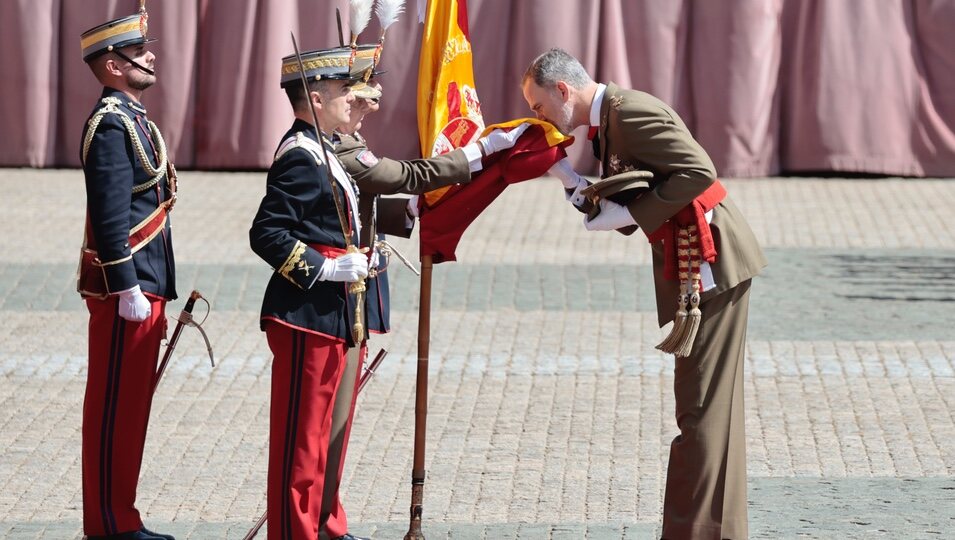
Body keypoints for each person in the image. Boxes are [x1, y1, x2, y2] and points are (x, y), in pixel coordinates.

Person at [521, 48, 767, 540]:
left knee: (700, 414)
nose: (539, 117)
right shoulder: (611, 120)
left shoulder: (627, 113)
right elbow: (649, 186)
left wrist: (629, 215)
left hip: (709, 263)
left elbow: (699, 172)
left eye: (540, 107)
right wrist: (577, 186)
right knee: (710, 414)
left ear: (563, 91)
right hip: (697, 261)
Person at [319, 77, 527, 540]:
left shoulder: (345, 140)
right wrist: (476, 155)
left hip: (351, 298)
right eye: (358, 94)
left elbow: (361, 203)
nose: (369, 104)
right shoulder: (333, 145)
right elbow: (395, 175)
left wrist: (407, 212)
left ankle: (324, 518)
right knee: (327, 422)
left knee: (338, 422)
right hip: (331, 300)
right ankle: (315, 521)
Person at [249, 45, 374, 540]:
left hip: (331, 312)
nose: (352, 98)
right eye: (344, 91)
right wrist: (325, 268)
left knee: (324, 434)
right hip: (304, 313)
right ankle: (292, 533)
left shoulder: (324, 147)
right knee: (301, 440)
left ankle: (324, 527)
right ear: (316, 99)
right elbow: (267, 232)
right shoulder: (301, 156)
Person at [76, 3, 178, 540]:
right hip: (128, 291)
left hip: (146, 284)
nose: (149, 55)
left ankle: (123, 518)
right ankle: (108, 525)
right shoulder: (110, 124)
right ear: (112, 65)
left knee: (131, 412)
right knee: (113, 410)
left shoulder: (132, 118)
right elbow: (111, 211)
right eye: (138, 52)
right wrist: (126, 285)